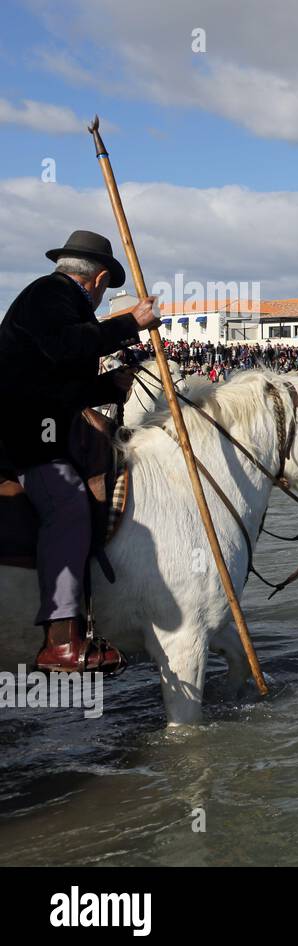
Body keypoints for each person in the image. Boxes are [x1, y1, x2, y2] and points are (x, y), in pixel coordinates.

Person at [0, 230, 161, 673]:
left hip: (40, 421)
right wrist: (131, 323)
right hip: (20, 434)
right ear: (99, 278)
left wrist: (108, 385)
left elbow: (59, 381)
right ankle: (60, 640)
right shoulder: (50, 294)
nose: (100, 299)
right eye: (105, 290)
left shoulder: (54, 302)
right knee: (67, 502)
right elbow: (67, 345)